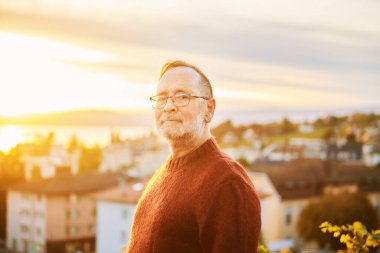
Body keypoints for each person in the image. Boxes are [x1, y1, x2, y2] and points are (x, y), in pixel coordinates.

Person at [127, 60, 261, 253]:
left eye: (182, 97)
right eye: (162, 98)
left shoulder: (227, 182)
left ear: (209, 109)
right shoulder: (162, 174)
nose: (168, 107)